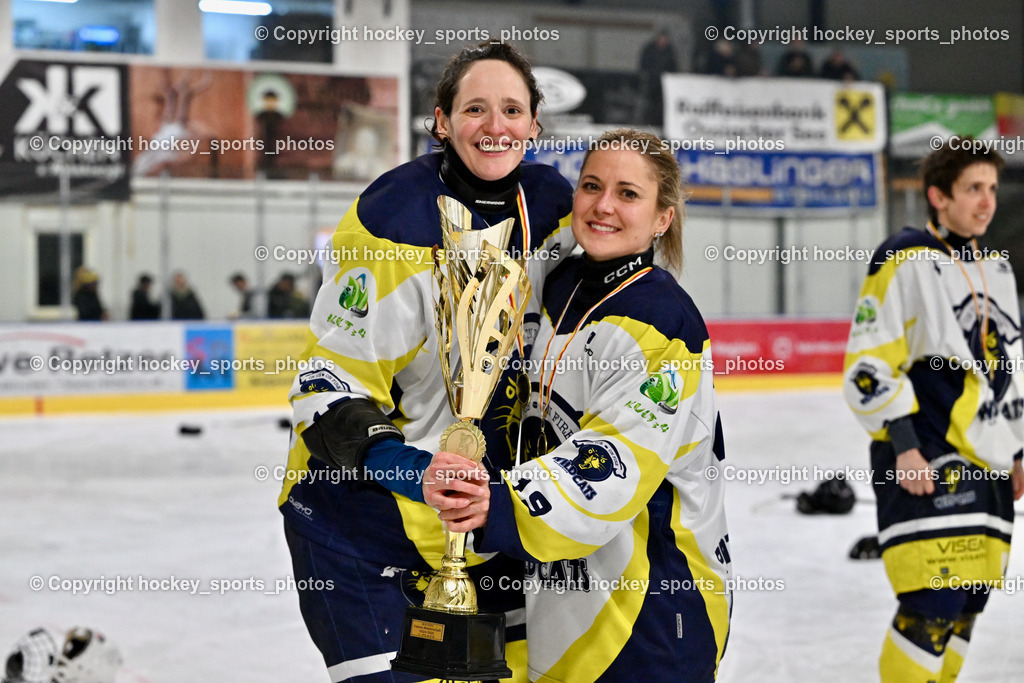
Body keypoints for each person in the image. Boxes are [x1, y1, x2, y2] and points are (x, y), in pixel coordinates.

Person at [278, 41, 575, 682]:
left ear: (533, 125)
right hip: (360, 519)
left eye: (512, 110)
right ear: (441, 122)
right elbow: (325, 389)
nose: (495, 127)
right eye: (475, 109)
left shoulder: (554, 208)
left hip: (485, 519)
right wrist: (417, 473)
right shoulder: (390, 223)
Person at [425, 129, 732, 682]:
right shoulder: (560, 284)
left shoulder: (662, 321)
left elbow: (614, 463)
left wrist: (497, 505)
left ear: (663, 219)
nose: (604, 205)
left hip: (651, 608)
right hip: (564, 592)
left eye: (628, 194)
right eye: (591, 185)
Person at [843, 139, 1024, 682]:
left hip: (989, 464)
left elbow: (1006, 366)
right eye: (973, 189)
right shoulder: (904, 256)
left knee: (967, 607)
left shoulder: (998, 269)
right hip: (928, 462)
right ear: (937, 196)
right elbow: (870, 362)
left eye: (992, 189)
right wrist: (904, 446)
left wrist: (1017, 450)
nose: (986, 202)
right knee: (931, 608)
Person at [635, 29, 677, 126]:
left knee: (662, 104)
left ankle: (660, 122)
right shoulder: (649, 48)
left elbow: (673, 65)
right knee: (649, 104)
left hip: (664, 83)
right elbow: (643, 64)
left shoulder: (669, 50)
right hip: (651, 81)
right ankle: (647, 122)